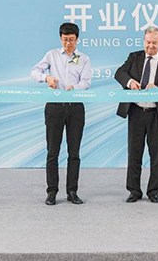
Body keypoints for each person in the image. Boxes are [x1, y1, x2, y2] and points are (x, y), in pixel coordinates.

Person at [115, 26, 158, 203]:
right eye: (148, 42)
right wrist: (130, 82)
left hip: (157, 114)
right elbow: (119, 73)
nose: (151, 46)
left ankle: (154, 191)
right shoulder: (134, 57)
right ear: (143, 41)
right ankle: (134, 191)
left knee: (156, 155)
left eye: (154, 43)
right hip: (136, 111)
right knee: (134, 153)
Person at [31, 22, 92, 206]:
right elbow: (34, 72)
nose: (68, 44)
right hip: (55, 107)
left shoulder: (84, 58)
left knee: (74, 152)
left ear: (77, 39)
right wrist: (47, 78)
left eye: (71, 40)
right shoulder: (52, 55)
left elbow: (86, 82)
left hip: (75, 107)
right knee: (52, 151)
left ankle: (72, 191)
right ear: (60, 38)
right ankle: (52, 191)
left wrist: (75, 88)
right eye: (65, 40)